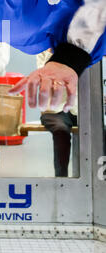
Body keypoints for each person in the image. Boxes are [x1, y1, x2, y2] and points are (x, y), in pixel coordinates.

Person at [37, 49, 77, 177]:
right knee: (60, 130)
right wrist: (52, 52)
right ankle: (61, 179)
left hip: (79, 106)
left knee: (100, 128)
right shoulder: (43, 49)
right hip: (54, 108)